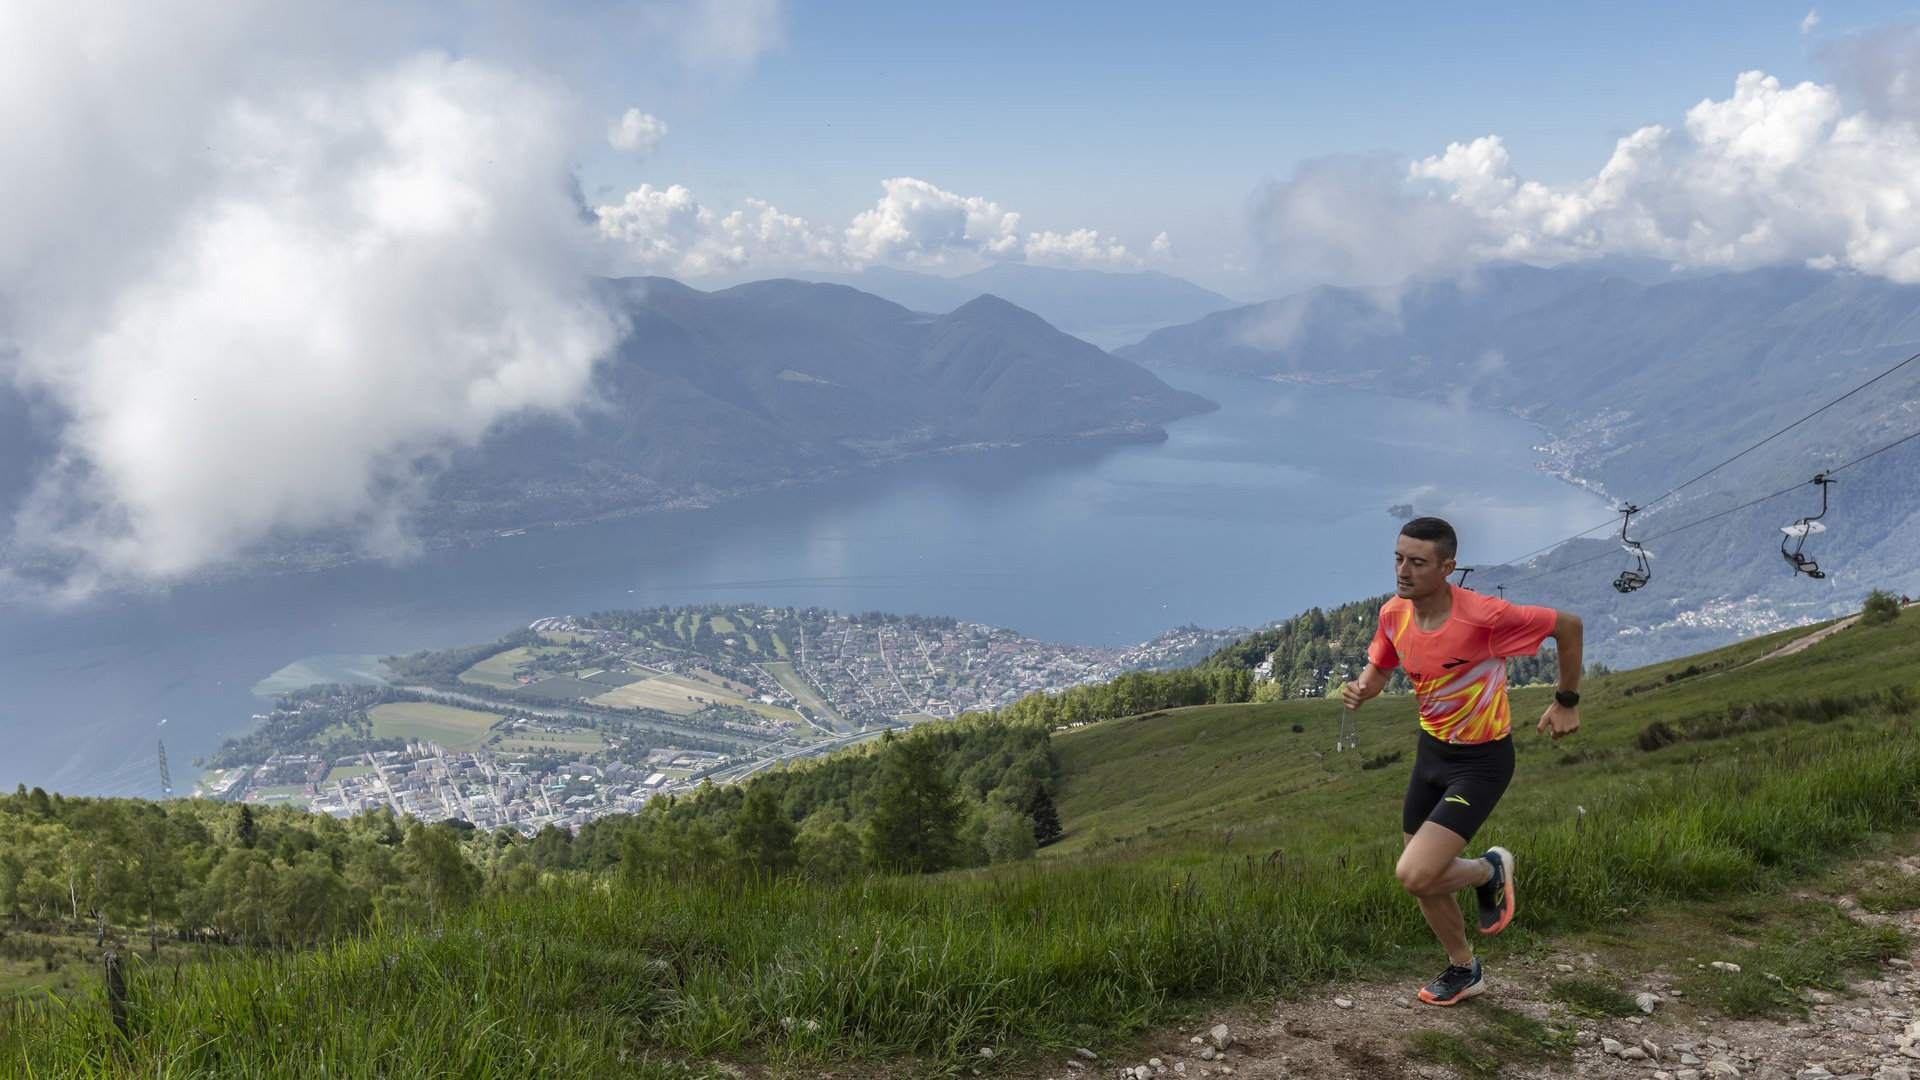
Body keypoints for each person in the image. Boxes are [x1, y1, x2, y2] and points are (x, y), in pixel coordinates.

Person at [1342, 517, 1583, 1006]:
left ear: (1447, 566)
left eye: (1417, 562)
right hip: (1431, 754)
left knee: (1414, 873)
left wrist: (1567, 700)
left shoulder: (1484, 618)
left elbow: (1568, 625)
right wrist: (1365, 688)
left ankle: (1487, 870)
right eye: (1398, 558)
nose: (1403, 571)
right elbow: (1383, 661)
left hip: (1482, 762)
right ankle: (1463, 967)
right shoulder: (1395, 612)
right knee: (1425, 882)